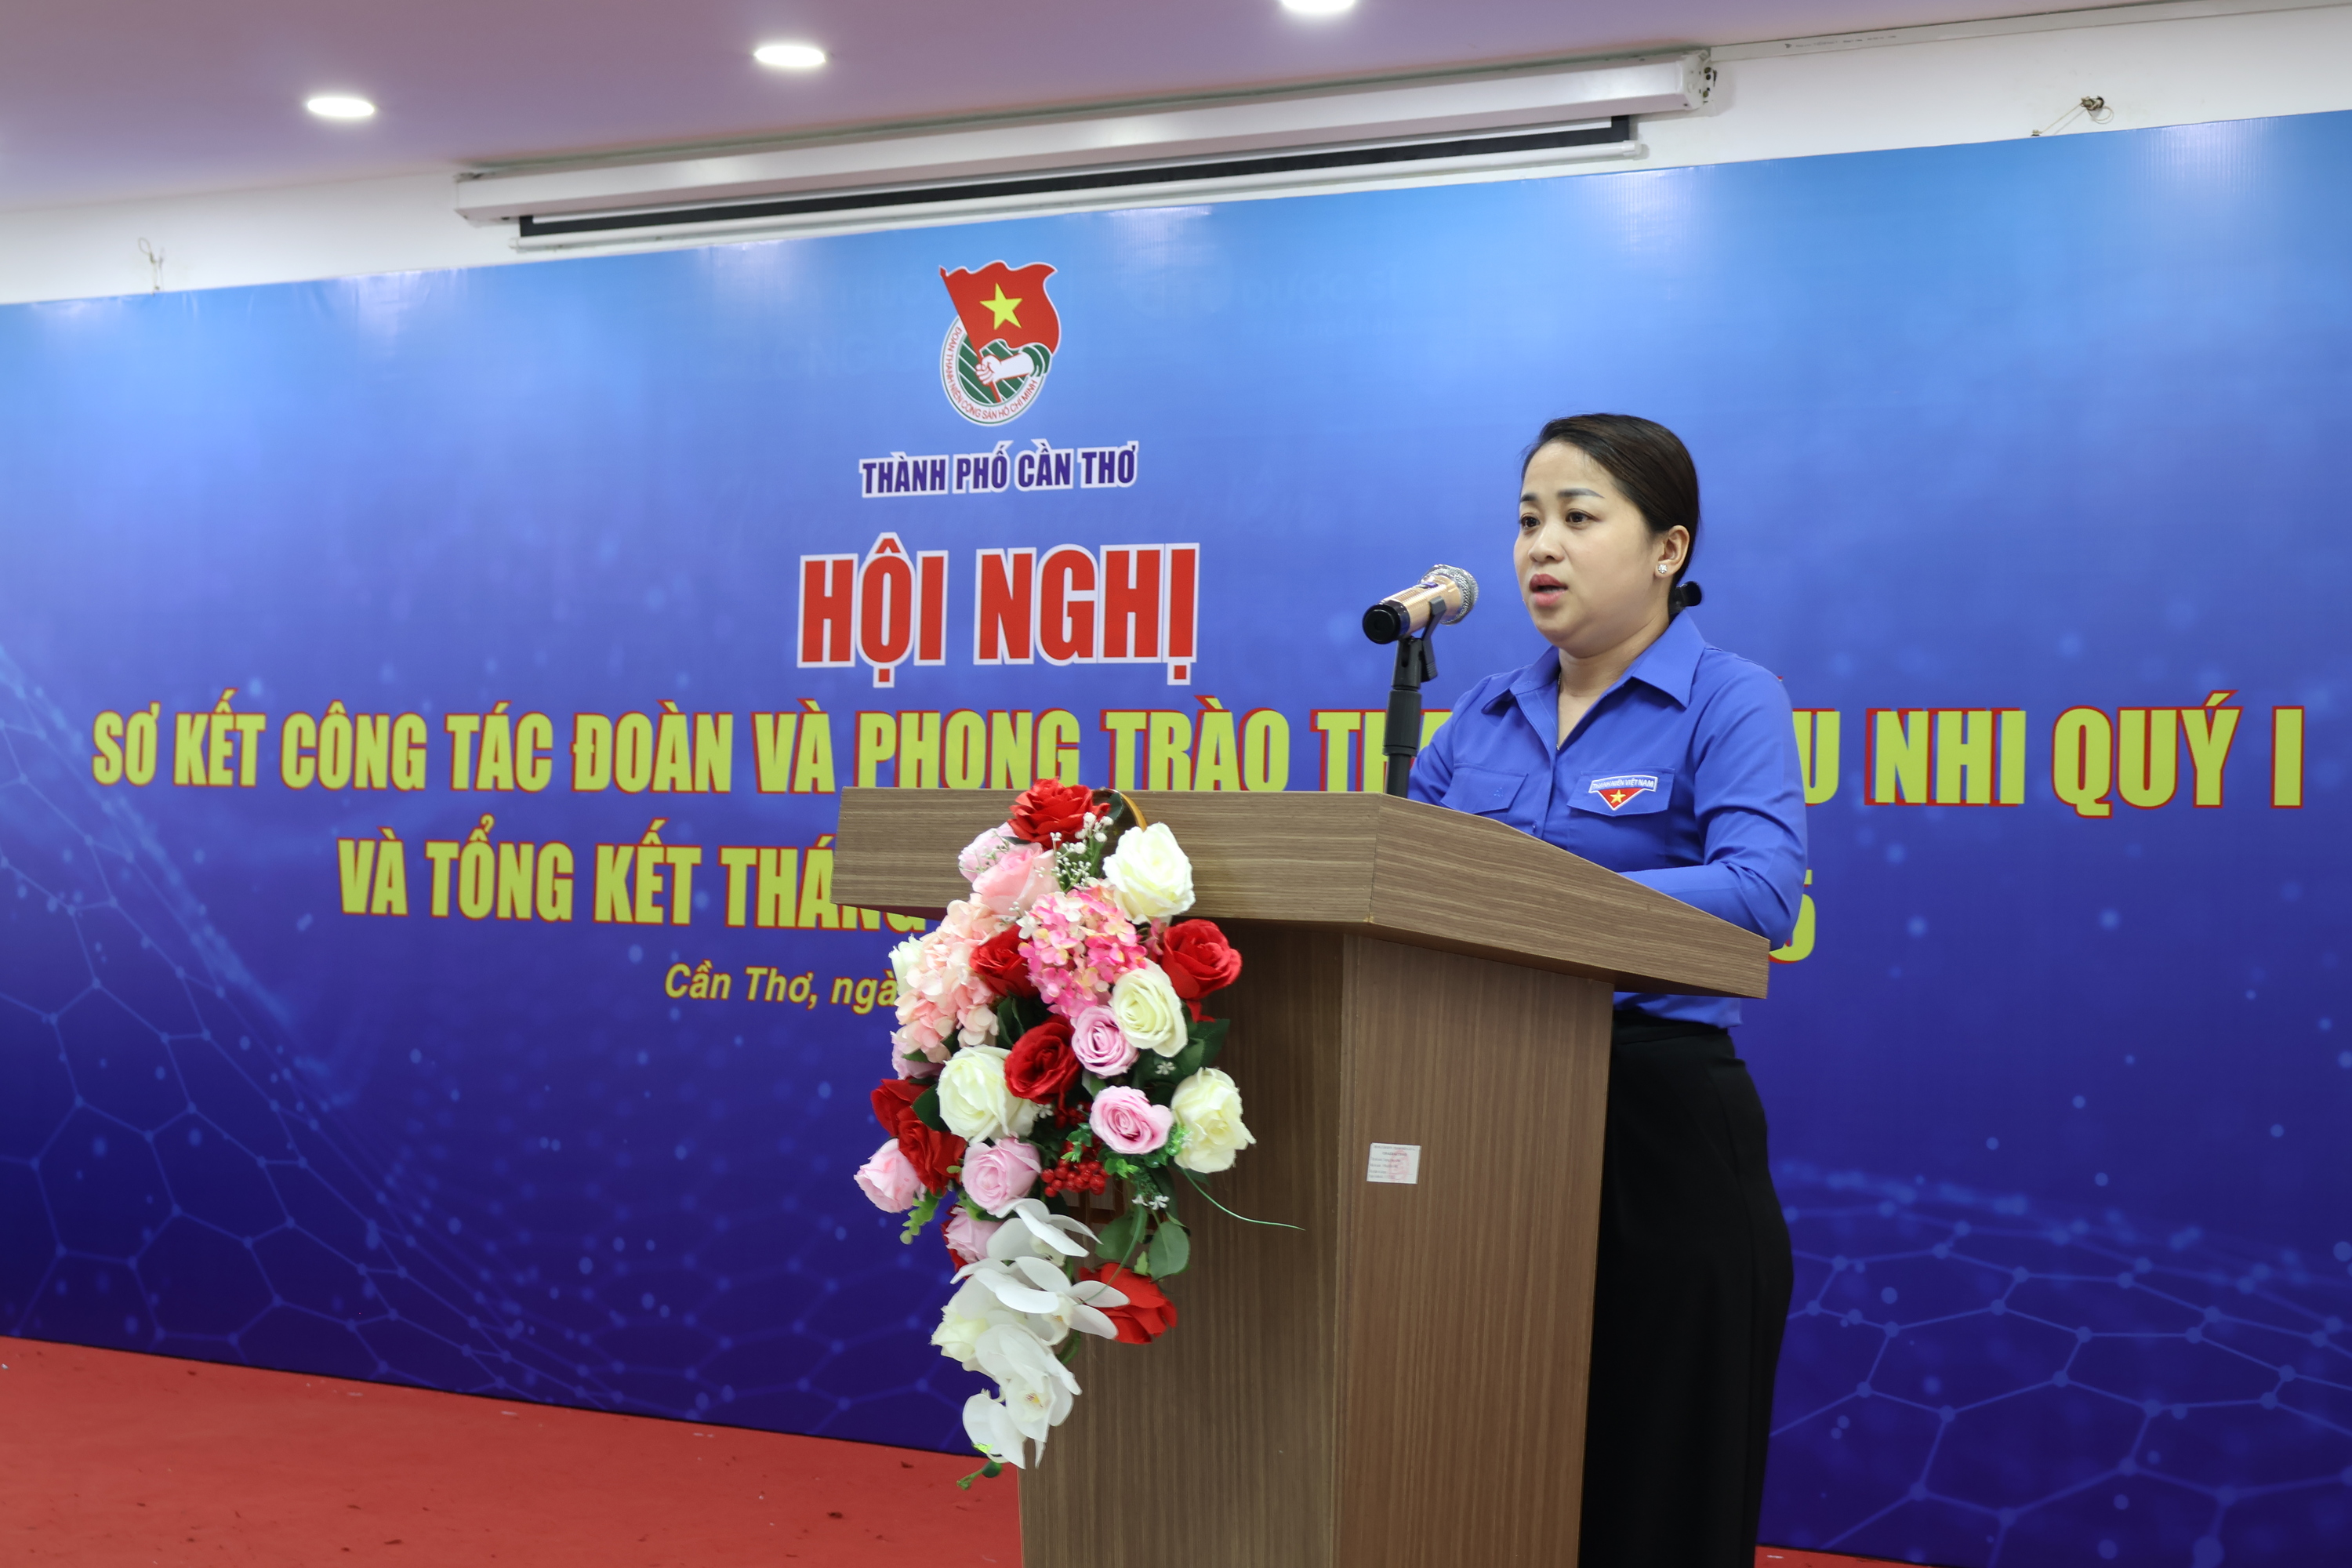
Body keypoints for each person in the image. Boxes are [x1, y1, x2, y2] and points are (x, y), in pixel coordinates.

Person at [1407, 414, 1806, 1568]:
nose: (1543, 546)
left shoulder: (1730, 699)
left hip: (1654, 1123)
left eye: (1580, 518)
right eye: (1529, 520)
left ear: (1668, 548)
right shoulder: (1478, 716)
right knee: (1485, 1468)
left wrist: (1543, 897)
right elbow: (1408, 889)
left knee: (1654, 1486)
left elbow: (1762, 890)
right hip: (1482, 1120)